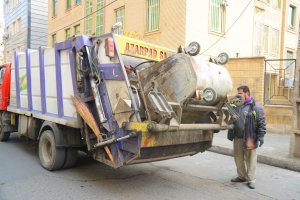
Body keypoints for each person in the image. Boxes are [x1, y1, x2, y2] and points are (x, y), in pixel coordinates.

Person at [228, 85, 266, 189]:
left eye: (240, 93)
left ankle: (251, 179)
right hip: (237, 136)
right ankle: (242, 176)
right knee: (238, 158)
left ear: (246, 93)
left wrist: (261, 137)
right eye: (237, 94)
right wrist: (230, 102)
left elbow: (261, 123)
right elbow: (228, 110)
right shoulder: (236, 104)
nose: (238, 96)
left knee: (251, 159)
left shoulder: (255, 107)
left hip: (250, 137)